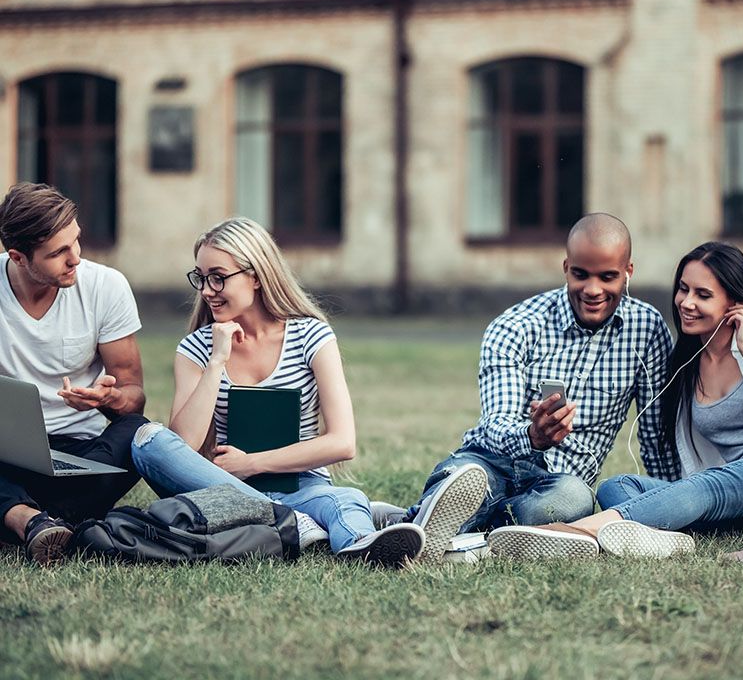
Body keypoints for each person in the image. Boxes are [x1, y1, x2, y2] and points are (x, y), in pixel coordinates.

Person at [130, 217, 486, 568]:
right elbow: (185, 445)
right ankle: (297, 521)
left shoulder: (311, 337)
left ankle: (358, 541)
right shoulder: (195, 349)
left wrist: (251, 463)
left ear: (255, 276)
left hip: (303, 486)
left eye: (218, 277)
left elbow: (342, 443)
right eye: (201, 278)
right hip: (221, 487)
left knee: (344, 500)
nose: (206, 290)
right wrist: (216, 361)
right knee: (147, 441)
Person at [377, 213, 675, 553]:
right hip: (493, 461)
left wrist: (675, 504)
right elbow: (494, 424)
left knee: (575, 498)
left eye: (607, 277)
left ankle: (437, 527)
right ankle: (444, 529)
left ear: (628, 273)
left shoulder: (647, 331)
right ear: (566, 268)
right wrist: (533, 436)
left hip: (560, 483)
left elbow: (656, 438)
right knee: (467, 478)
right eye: (581, 275)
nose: (593, 290)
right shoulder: (516, 325)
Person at [488, 242, 743, 559]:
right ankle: (686, 536)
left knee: (711, 486)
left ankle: (581, 532)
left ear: (736, 303)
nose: (687, 303)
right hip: (741, 500)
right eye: (683, 289)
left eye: (703, 295)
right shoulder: (686, 364)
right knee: (618, 488)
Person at [0, 182, 148, 565]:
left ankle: (21, 517)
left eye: (76, 241)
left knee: (139, 435)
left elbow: (133, 395)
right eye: (59, 252)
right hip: (6, 454)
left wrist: (109, 399)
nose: (76, 258)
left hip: (80, 456)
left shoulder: (106, 287)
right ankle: (32, 519)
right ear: (18, 257)